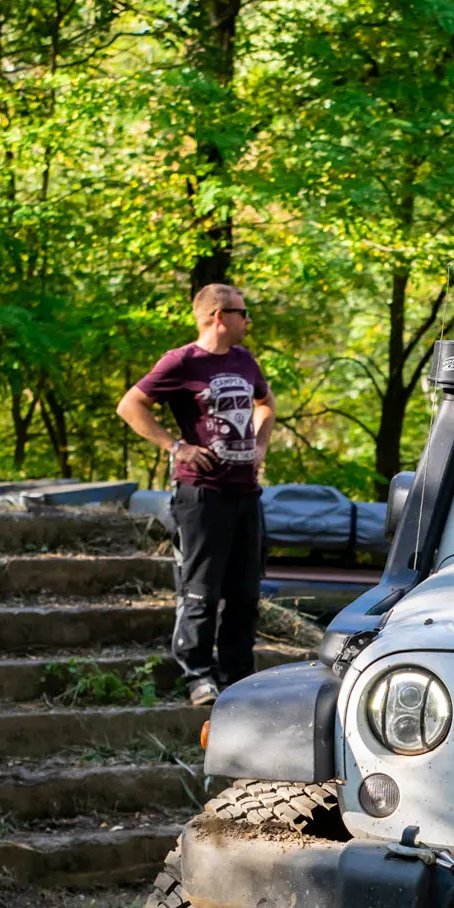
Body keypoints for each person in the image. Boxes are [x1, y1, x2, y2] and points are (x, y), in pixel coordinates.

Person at [117, 284, 275, 707]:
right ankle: (198, 675)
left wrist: (260, 445)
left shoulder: (244, 360)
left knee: (245, 592)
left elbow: (266, 404)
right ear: (219, 316)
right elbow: (130, 405)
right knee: (202, 589)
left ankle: (239, 677)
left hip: (246, 493)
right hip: (202, 494)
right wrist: (176, 446)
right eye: (243, 313)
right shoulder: (182, 361)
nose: (248, 321)